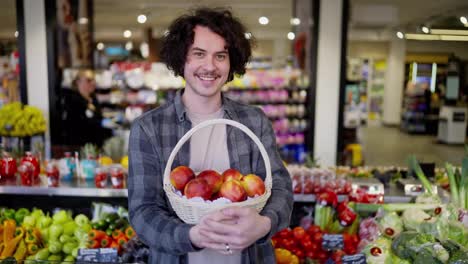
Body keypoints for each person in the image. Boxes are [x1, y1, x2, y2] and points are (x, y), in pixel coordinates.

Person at [127, 7, 293, 263]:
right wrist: (192, 235)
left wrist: (264, 224)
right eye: (199, 54)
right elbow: (143, 212)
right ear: (182, 59)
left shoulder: (253, 121)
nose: (210, 66)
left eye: (220, 56)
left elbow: (280, 187)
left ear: (231, 62)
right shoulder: (149, 129)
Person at [60, 69, 113, 148]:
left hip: (96, 144)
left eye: (93, 80)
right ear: (78, 82)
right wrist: (100, 123)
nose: (93, 83)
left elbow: (97, 116)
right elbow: (79, 124)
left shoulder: (93, 98)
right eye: (88, 80)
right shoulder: (72, 100)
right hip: (80, 145)